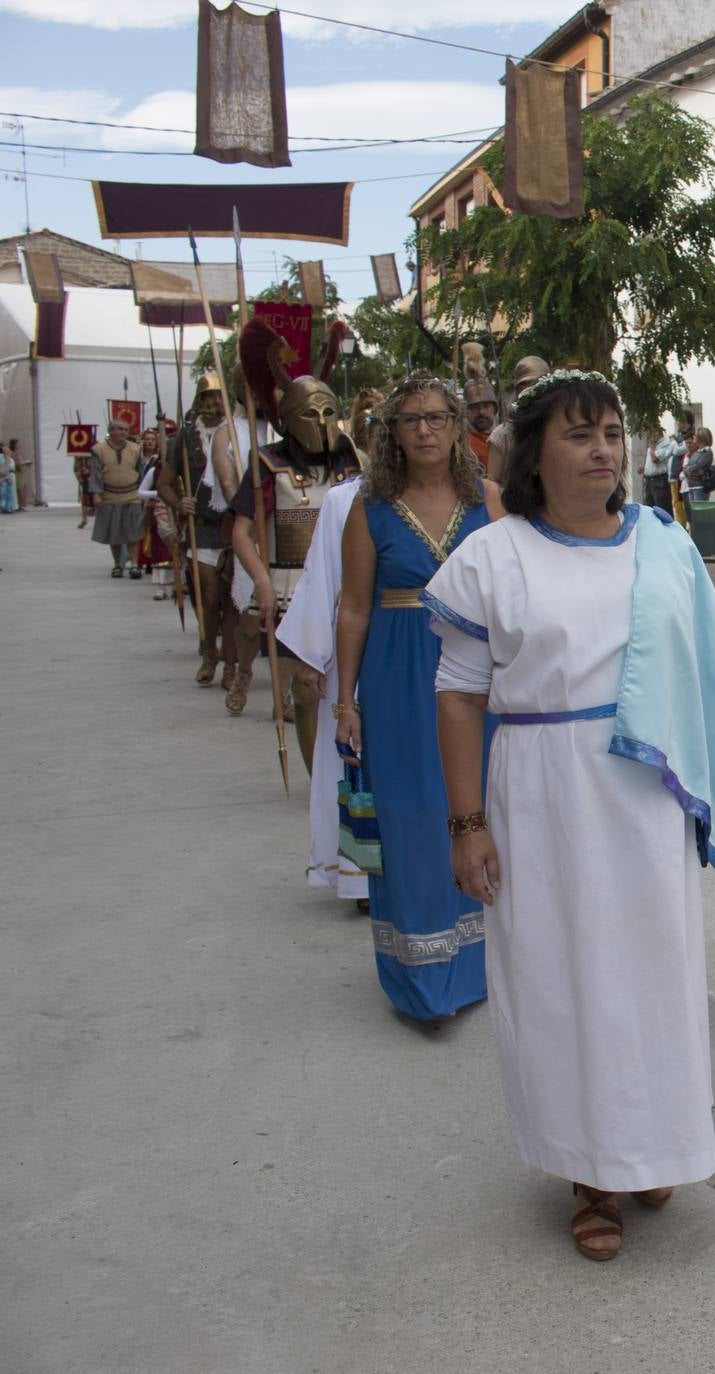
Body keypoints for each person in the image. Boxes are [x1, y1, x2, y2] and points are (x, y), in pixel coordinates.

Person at [427, 372, 715, 1259]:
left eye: (613, 433)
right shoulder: (491, 557)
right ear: (533, 456)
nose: (603, 451)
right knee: (563, 977)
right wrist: (468, 825)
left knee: (650, 975)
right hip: (542, 788)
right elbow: (460, 698)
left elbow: (701, 678)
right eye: (580, 436)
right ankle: (590, 1173)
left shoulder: (662, 544)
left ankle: (649, 1144)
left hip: (641, 794)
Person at [333, 375, 501, 1021]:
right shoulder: (369, 508)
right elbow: (352, 608)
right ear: (391, 434)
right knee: (409, 816)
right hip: (397, 674)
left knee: (479, 811)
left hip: (476, 675)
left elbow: (518, 596)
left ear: (458, 426)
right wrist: (345, 702)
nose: (425, 430)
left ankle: (484, 963)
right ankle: (420, 977)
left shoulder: (489, 501)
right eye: (410, 420)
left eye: (436, 417)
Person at [227, 351, 358, 729]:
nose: (320, 422)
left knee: (315, 665)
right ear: (288, 420)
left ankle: (293, 706)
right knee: (259, 633)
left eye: (327, 412)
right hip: (287, 574)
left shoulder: (352, 462)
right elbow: (241, 530)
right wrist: (262, 581)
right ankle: (245, 669)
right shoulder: (270, 463)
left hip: (338, 578)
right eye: (309, 414)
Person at [276, 469, 370, 910]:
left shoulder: (466, 494)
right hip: (362, 646)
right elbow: (325, 575)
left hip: (434, 646)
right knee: (362, 756)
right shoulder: (346, 498)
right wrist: (314, 650)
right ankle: (364, 873)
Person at [160, 376, 245, 691]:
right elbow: (165, 484)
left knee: (233, 599)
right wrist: (179, 503)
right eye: (208, 397)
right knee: (209, 598)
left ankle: (232, 666)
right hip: (203, 529)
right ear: (198, 401)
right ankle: (211, 653)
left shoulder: (240, 434)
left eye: (218, 396)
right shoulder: (184, 439)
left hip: (235, 525)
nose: (213, 403)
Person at [90, 419, 147, 577]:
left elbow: (141, 473)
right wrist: (96, 494)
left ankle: (135, 564)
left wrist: (144, 494)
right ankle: (118, 564)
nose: (123, 432)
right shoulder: (98, 450)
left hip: (132, 495)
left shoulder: (136, 449)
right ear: (111, 431)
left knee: (134, 532)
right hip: (109, 495)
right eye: (119, 429)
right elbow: (95, 474)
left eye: (125, 429)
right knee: (114, 533)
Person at [487, 356, 551, 483]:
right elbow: (492, 484)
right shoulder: (502, 435)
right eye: (526, 387)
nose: (533, 394)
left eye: (537, 386)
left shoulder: (559, 431)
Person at [133, 429, 176, 596]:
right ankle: (161, 587)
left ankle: (178, 584)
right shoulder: (155, 469)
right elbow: (141, 492)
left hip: (181, 511)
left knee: (179, 548)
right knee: (162, 548)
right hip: (162, 511)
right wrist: (159, 494)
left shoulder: (186, 467)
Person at [683, 426, 715, 502]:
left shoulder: (707, 452)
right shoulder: (696, 452)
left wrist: (690, 470)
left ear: (701, 438)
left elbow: (697, 466)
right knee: (693, 513)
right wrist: (690, 471)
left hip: (700, 487)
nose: (693, 437)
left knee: (699, 512)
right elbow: (685, 469)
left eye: (695, 435)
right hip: (691, 486)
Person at [0, 438, 17, 513]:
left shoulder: (8, 457)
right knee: (4, 493)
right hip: (3, 478)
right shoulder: (2, 457)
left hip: (8, 477)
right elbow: (4, 471)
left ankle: (9, 507)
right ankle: (5, 507)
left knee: (9, 493)